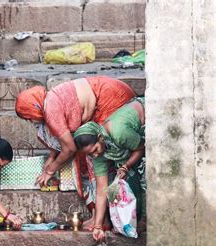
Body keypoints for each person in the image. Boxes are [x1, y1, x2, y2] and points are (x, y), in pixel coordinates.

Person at [15, 76, 136, 227]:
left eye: (28, 117)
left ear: (33, 107)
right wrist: (52, 157)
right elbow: (62, 138)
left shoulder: (51, 111)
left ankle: (103, 220)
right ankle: (99, 217)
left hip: (111, 99)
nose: (30, 121)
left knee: (95, 161)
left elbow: (70, 148)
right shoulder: (50, 100)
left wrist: (50, 171)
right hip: (109, 91)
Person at [73, 99, 146, 242]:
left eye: (95, 150)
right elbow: (102, 190)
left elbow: (141, 147)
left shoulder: (118, 133)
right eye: (90, 154)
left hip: (146, 120)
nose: (94, 155)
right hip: (129, 145)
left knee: (144, 173)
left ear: (100, 138)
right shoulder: (98, 155)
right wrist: (98, 226)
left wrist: (126, 166)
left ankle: (145, 219)